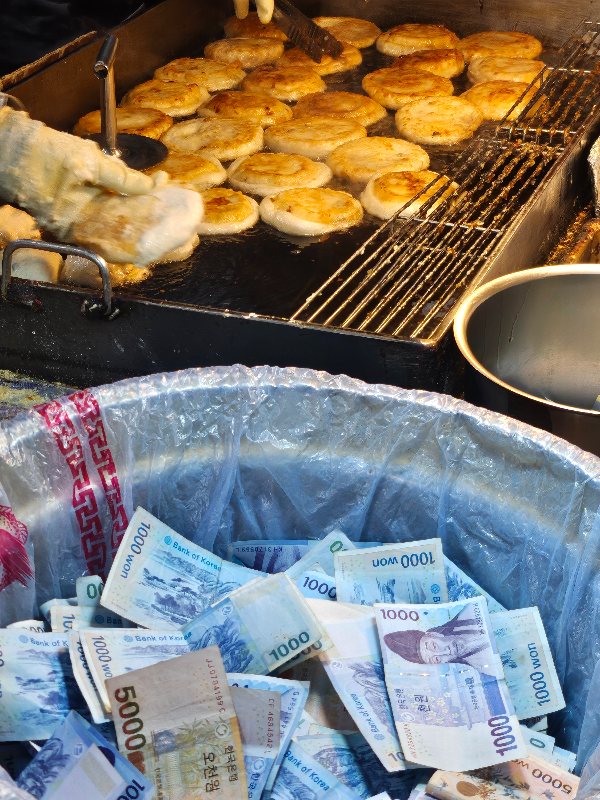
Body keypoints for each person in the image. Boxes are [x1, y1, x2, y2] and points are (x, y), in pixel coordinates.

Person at [383, 605, 494, 674]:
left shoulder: (472, 611)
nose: (446, 652)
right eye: (436, 660)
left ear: (434, 634)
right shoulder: (486, 668)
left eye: (434, 646)